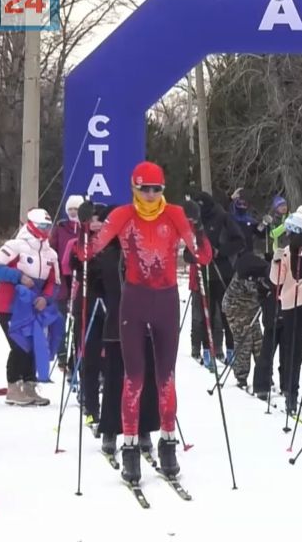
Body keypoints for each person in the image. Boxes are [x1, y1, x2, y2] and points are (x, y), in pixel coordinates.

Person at [78, 161, 212, 485]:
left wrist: (198, 226)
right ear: (134, 188)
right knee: (134, 378)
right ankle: (130, 449)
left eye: (156, 189)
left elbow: (202, 256)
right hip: (134, 301)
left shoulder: (174, 214)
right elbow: (87, 252)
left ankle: (168, 445)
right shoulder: (123, 215)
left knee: (166, 378)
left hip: (166, 300)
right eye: (144, 189)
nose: (150, 196)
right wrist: (83, 225)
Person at [84, 201, 161, 459]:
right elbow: (80, 267)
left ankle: (144, 429)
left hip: (145, 324)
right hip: (116, 325)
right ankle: (110, 430)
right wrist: (84, 230)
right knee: (115, 378)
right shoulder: (103, 253)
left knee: (146, 378)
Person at [0, 209, 61, 406]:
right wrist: (18, 276)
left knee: (34, 345)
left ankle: (29, 385)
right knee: (19, 345)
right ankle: (14, 387)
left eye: (49, 227)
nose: (46, 230)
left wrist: (46, 298)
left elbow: (54, 282)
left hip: (32, 307)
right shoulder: (16, 246)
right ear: (32, 225)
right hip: (9, 305)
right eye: (42, 226)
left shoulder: (50, 254)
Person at [65, 202, 111, 423]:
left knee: (112, 359)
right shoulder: (80, 241)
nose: (96, 224)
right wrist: (84, 231)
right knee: (89, 356)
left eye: (100, 219)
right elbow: (74, 262)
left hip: (111, 303)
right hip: (87, 303)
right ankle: (91, 406)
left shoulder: (114, 241)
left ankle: (112, 410)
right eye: (92, 219)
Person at [268, 210, 302, 414]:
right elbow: (277, 280)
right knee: (294, 353)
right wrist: (275, 261)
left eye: (291, 232)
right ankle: (291, 394)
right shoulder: (287, 252)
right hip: (291, 307)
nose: (288, 236)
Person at [194, 191, 246, 368]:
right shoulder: (197, 220)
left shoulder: (223, 217)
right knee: (206, 314)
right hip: (205, 272)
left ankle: (230, 350)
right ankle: (207, 350)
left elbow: (240, 241)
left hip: (223, 272)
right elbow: (189, 246)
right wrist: (194, 253)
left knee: (226, 313)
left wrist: (220, 251)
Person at [223, 252, 272, 392]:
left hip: (250, 309)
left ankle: (264, 376)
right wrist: (268, 287)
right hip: (236, 308)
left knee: (259, 342)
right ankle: (241, 377)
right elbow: (255, 288)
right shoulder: (247, 274)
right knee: (244, 341)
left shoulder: (261, 268)